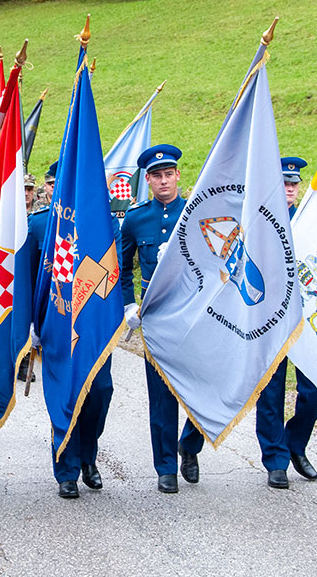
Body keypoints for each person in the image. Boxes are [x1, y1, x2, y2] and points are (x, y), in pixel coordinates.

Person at [27, 162, 120, 498]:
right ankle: (66, 469)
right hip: (56, 323)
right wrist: (31, 324)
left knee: (100, 392)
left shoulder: (106, 225)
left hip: (95, 326)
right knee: (65, 394)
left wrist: (122, 312)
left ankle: (88, 456)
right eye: (54, 183)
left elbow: (114, 273)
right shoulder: (39, 226)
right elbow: (30, 279)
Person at [120, 144, 204, 494]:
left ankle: (191, 444)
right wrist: (128, 305)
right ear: (149, 181)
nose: (164, 180)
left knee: (201, 389)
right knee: (161, 396)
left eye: (169, 174)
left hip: (194, 316)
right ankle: (165, 465)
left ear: (178, 176)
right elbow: (123, 269)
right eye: (157, 176)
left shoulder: (197, 213)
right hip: (155, 319)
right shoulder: (137, 218)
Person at [255, 156, 317, 485]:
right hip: (271, 317)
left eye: (294, 184)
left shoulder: (310, 223)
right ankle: (275, 459)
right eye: (283, 183)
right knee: (271, 392)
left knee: (313, 392)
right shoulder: (260, 223)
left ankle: (296, 444)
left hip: (307, 318)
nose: (289, 189)